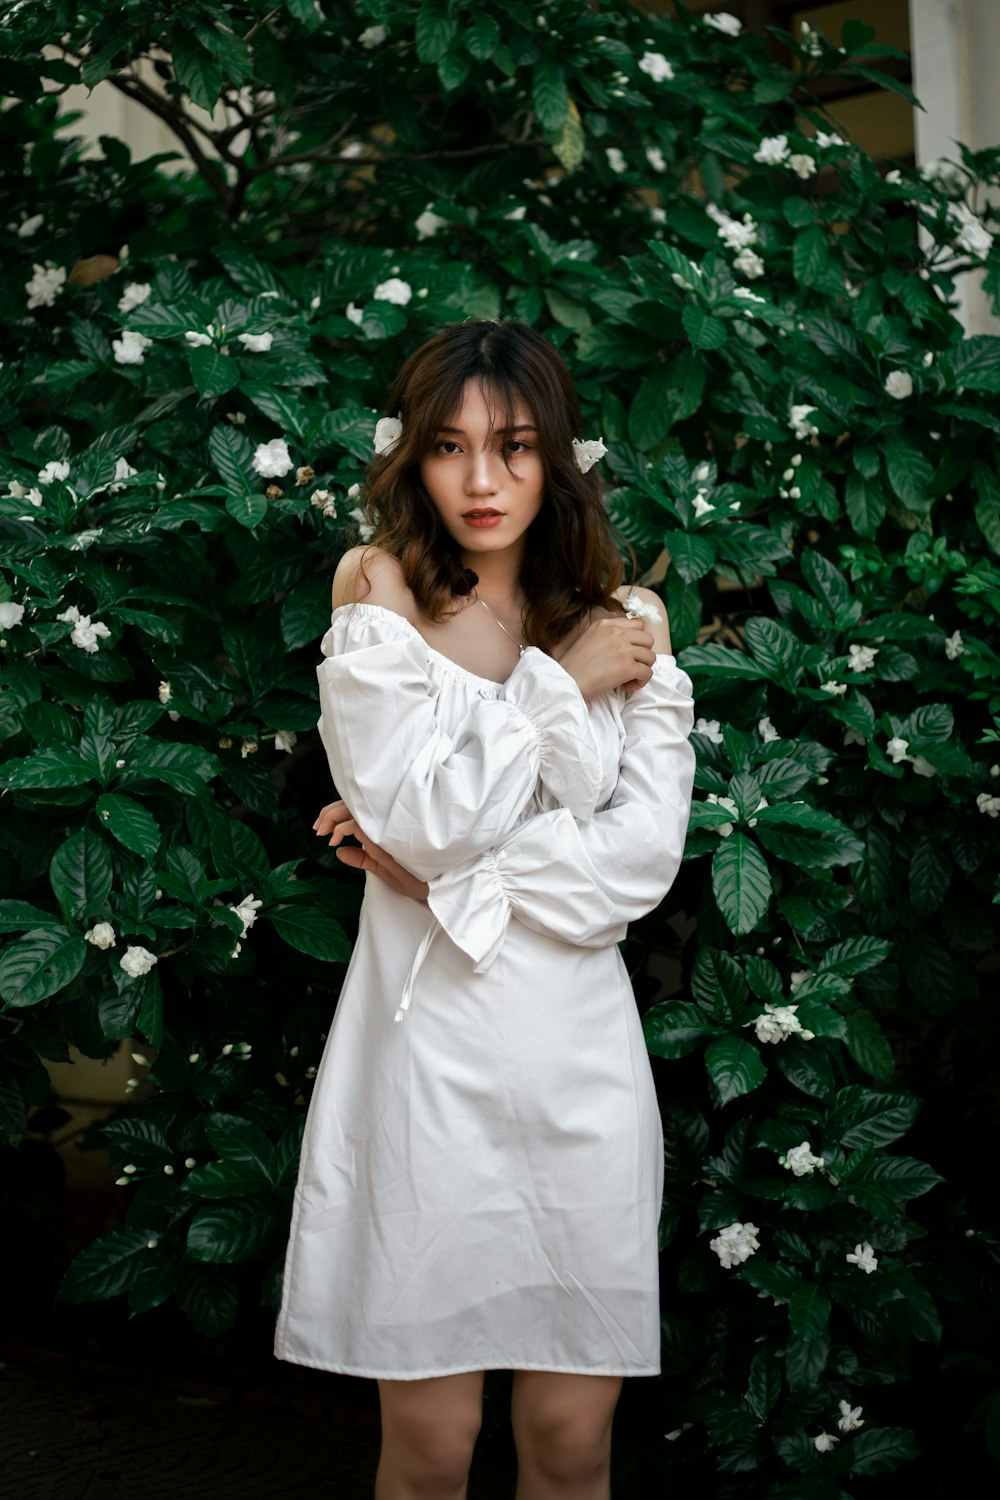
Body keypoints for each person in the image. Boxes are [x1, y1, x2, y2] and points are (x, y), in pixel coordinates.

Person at [274, 319, 696, 1499]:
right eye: (449, 448)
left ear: (556, 457)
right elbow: (425, 820)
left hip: (576, 1068)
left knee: (571, 1446)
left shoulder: (631, 624)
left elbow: (632, 871)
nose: (480, 480)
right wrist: (551, 688)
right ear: (411, 459)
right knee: (430, 1447)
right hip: (422, 1061)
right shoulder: (380, 593)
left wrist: (445, 877)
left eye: (512, 448)